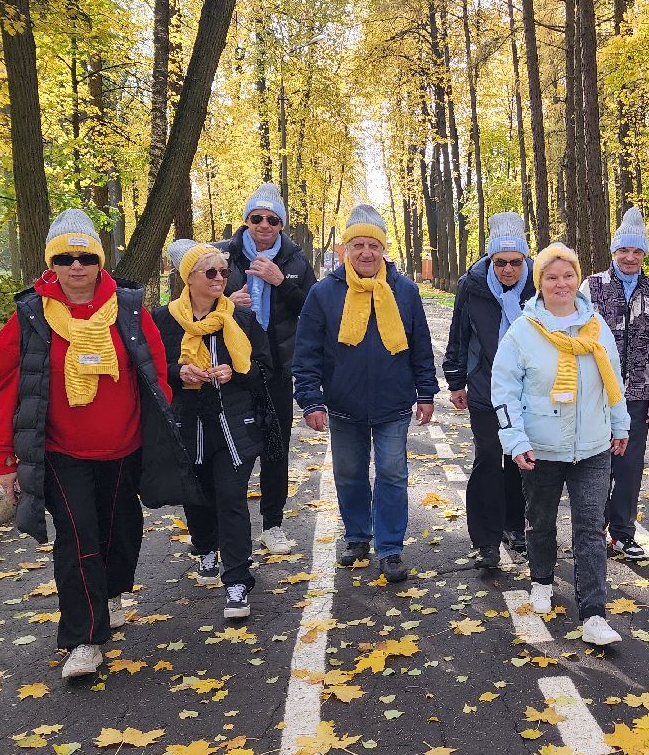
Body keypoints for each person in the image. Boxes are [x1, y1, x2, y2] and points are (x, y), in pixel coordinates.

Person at [0, 209, 195, 680]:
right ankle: (83, 640)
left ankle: (112, 589)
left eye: (85, 256)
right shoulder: (29, 317)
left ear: (99, 260)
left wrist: (158, 426)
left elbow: (154, 368)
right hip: (62, 452)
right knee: (77, 537)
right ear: (51, 262)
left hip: (124, 447)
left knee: (120, 531)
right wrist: (6, 458)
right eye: (65, 257)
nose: (76, 266)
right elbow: (7, 390)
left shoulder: (127, 307)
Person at [492, 243, 630, 646]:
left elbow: (613, 381)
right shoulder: (523, 331)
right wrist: (515, 440)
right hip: (541, 449)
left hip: (592, 447)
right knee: (541, 521)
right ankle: (541, 579)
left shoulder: (596, 327)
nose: (561, 283)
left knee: (591, 528)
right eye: (551, 277)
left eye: (567, 275)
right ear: (540, 283)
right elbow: (503, 392)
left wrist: (619, 426)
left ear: (577, 279)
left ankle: (594, 614)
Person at [293, 203, 437, 582]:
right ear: (345, 250)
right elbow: (306, 351)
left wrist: (426, 392)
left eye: (373, 245)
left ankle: (390, 548)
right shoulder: (324, 293)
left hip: (393, 403)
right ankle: (357, 537)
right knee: (350, 474)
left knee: (392, 473)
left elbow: (420, 345)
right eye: (357, 245)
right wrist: (311, 398)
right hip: (343, 404)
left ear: (383, 248)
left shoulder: (404, 291)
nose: (366, 253)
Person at [153, 240, 273, 619]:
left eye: (224, 271)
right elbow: (152, 370)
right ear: (187, 278)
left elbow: (266, 369)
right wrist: (179, 371)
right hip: (188, 423)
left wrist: (236, 371)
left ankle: (237, 580)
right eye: (211, 272)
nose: (220, 278)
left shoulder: (241, 320)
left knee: (231, 497)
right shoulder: (163, 321)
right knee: (198, 492)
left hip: (234, 426)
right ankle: (205, 548)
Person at [220, 183, 318, 553]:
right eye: (256, 218)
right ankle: (225, 529)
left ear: (281, 224)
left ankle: (272, 524)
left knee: (275, 447)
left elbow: (313, 310)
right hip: (231, 368)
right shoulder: (224, 258)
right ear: (246, 220)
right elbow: (195, 305)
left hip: (276, 368)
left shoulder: (295, 261)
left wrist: (280, 283)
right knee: (230, 448)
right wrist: (227, 303)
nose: (264, 225)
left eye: (272, 219)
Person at [444, 212, 534, 572]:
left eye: (515, 262)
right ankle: (485, 540)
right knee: (488, 459)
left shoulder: (537, 285)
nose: (508, 270)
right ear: (490, 259)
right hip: (485, 386)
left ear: (525, 260)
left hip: (528, 390)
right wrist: (455, 381)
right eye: (500, 262)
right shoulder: (472, 284)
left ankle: (516, 526)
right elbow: (459, 335)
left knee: (521, 461)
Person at [584, 207, 649, 562]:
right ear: (614, 252)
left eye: (637, 252)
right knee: (595, 465)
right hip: (597, 395)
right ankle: (592, 531)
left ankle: (623, 533)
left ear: (644, 254)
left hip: (636, 395)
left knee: (630, 467)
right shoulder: (592, 286)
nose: (630, 257)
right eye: (624, 251)